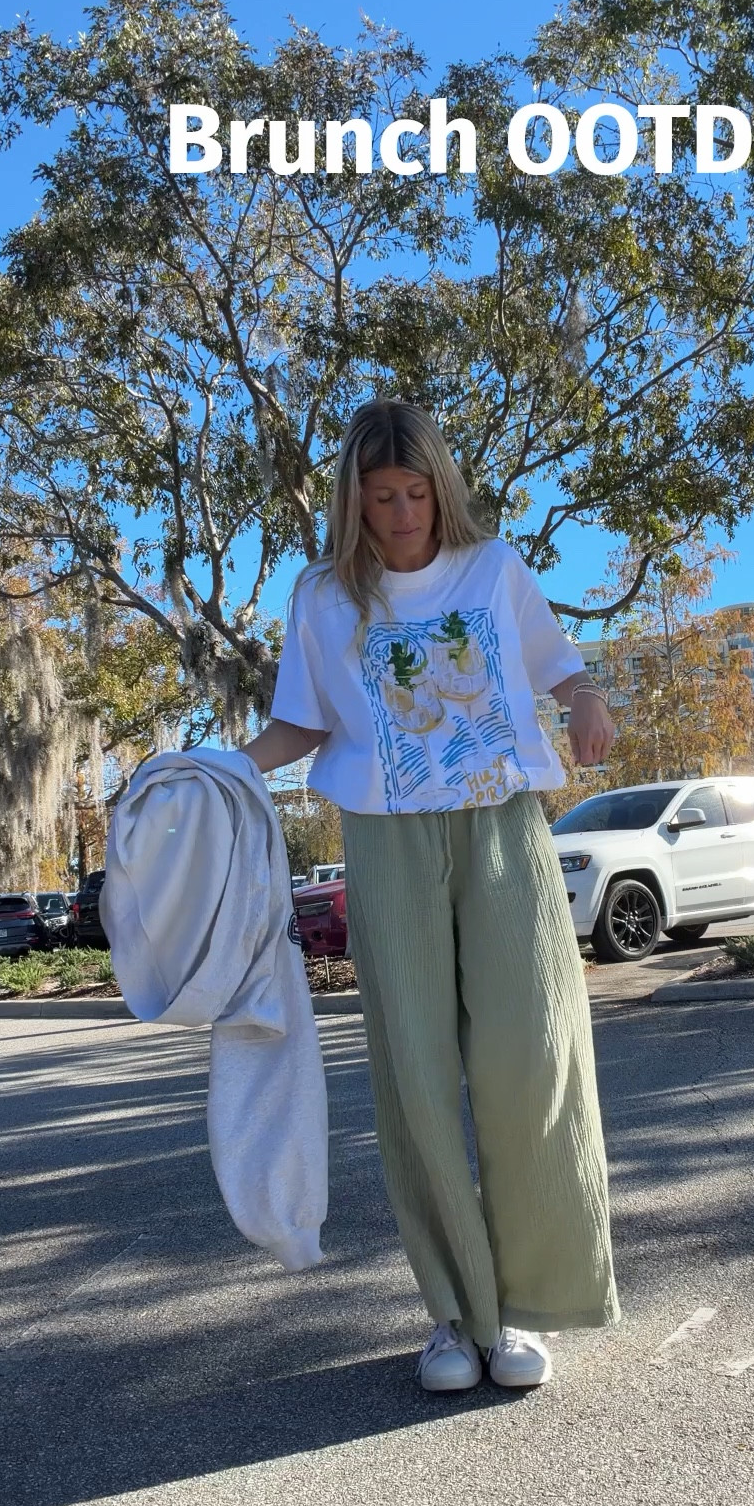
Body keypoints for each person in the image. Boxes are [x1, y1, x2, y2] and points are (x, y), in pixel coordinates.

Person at [244, 398, 621, 1392]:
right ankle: (456, 1317)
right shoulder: (322, 596)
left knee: (533, 1056)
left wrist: (586, 702)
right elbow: (302, 725)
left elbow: (562, 669)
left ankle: (528, 1306)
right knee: (413, 1074)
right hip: (385, 838)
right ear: (353, 502)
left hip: (502, 826)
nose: (403, 514)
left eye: (416, 493)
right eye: (381, 498)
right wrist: (225, 769)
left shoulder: (493, 569)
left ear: (440, 488)